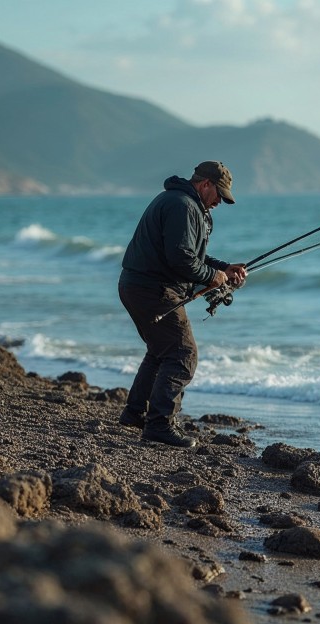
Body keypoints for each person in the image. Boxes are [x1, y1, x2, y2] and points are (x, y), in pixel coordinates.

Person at [118, 161, 247, 448]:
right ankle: (160, 425)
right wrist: (213, 276)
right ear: (205, 185)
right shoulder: (183, 206)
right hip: (153, 290)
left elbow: (191, 256)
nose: (220, 203)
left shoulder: (180, 201)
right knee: (182, 354)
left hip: (137, 286)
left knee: (160, 351)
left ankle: (135, 414)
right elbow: (180, 259)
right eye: (219, 195)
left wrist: (225, 268)